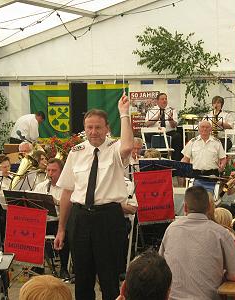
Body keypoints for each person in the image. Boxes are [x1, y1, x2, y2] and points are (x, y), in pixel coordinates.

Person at [54, 93, 133, 300]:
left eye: (98, 127)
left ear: (107, 128)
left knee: (109, 281)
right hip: (80, 219)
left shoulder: (114, 149)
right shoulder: (76, 152)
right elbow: (67, 192)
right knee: (82, 280)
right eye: (89, 127)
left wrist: (124, 114)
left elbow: (127, 146)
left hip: (108, 219)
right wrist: (61, 229)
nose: (93, 131)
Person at [159, 186, 235, 300]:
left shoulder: (171, 229)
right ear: (209, 207)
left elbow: (161, 266)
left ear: (185, 207)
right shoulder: (221, 233)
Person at [34, 158, 70, 280]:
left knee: (65, 233)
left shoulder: (67, 188)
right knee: (29, 228)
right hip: (42, 221)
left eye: (54, 171)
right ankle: (38, 265)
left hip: (59, 222)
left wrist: (57, 202)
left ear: (61, 172)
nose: (50, 174)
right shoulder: (41, 186)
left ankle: (64, 268)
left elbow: (71, 207)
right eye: (48, 170)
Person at [144, 93, 182, 161]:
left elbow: (174, 125)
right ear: (157, 101)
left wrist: (170, 119)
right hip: (155, 133)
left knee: (177, 136)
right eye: (162, 99)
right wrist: (157, 117)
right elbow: (146, 124)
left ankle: (175, 160)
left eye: (165, 99)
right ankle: (150, 158)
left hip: (168, 132)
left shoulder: (172, 110)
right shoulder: (151, 111)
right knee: (146, 135)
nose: (164, 100)